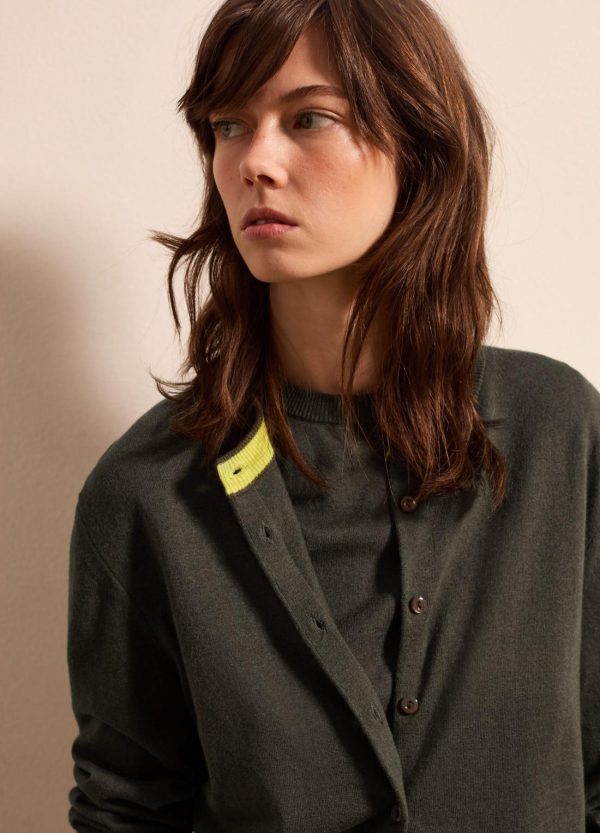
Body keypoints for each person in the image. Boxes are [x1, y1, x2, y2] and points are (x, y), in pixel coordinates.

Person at [66, 0, 600, 831]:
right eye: (230, 125)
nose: (254, 161)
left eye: (309, 117)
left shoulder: (557, 432)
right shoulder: (149, 493)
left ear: (418, 143)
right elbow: (126, 808)